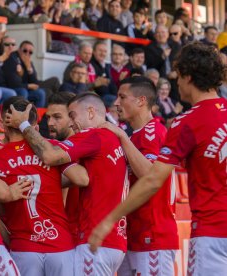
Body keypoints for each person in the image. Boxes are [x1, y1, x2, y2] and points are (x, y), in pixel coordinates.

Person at [89, 42, 227, 276]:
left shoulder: (187, 121)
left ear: (189, 77)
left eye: (178, 78)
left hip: (211, 233)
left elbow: (153, 180)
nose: (177, 84)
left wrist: (109, 220)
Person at [4, 92, 128, 275]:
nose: (71, 123)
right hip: (115, 241)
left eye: (72, 116)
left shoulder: (93, 135)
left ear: (91, 112)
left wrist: (23, 125)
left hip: (94, 240)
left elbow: (50, 156)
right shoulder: (112, 139)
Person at [0, 96, 89, 276]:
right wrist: (52, 179)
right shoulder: (53, 149)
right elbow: (82, 178)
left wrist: (11, 240)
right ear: (34, 125)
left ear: (4, 123)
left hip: (23, 247)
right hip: (60, 245)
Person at [105, 76, 179, 275]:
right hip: (134, 234)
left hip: (153, 234)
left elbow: (149, 175)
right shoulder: (135, 136)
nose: (116, 103)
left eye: (122, 97)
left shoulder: (152, 131)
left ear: (141, 101)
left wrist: (120, 137)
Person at [45, 92, 80, 244]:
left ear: (73, 119)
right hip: (58, 232)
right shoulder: (51, 148)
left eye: (57, 117)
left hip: (75, 235)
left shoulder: (82, 147)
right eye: (48, 117)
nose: (50, 123)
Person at [0, 40, 46, 107]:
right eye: (25, 50)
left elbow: (35, 83)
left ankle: (36, 116)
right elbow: (13, 83)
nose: (27, 53)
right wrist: (28, 86)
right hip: (12, 87)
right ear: (19, 50)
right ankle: (21, 115)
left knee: (41, 93)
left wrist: (29, 69)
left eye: (30, 52)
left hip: (24, 88)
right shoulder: (12, 58)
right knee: (23, 91)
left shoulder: (29, 62)